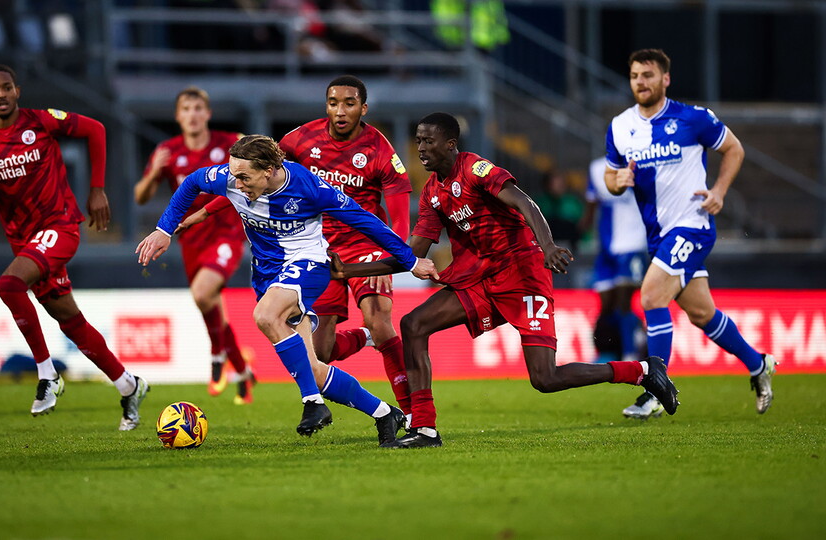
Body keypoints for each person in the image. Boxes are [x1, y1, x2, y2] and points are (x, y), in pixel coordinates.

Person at [332, 113, 679, 448]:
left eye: (428, 141)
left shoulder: (475, 169)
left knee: (545, 378)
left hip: (522, 275)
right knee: (414, 324)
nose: (420, 148)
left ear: (450, 144)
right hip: (480, 279)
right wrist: (348, 270)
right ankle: (424, 427)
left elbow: (526, 203)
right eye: (418, 141)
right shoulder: (432, 193)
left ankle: (642, 370)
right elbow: (411, 254)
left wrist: (547, 246)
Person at [136, 134, 439, 446]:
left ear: (268, 170)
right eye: (234, 175)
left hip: (308, 263)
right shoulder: (230, 177)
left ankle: (312, 403)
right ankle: (384, 413)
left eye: (244, 177)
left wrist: (410, 261)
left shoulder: (309, 187)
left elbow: (366, 221)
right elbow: (190, 184)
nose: (236, 184)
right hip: (267, 274)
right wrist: (163, 230)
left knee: (266, 316)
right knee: (314, 370)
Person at [0, 64, 149, 430]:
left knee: (9, 285)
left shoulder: (40, 121)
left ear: (17, 91)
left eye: (7, 87)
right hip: (25, 242)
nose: (1, 94)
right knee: (70, 321)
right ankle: (129, 385)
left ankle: (47, 375)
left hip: (59, 226)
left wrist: (97, 189)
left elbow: (96, 129)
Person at [605, 49, 777, 418]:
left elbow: (734, 149)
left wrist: (719, 192)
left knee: (651, 296)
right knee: (702, 313)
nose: (641, 82)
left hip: (692, 226)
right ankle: (759, 364)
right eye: (635, 76)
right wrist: (618, 181)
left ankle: (655, 391)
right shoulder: (620, 126)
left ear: (665, 79)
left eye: (648, 75)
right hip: (658, 236)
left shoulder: (693, 117)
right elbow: (610, 175)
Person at [278, 74, 414, 422]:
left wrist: (391, 258)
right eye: (333, 103)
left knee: (380, 319)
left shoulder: (379, 149)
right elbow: (257, 172)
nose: (340, 111)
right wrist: (206, 210)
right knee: (320, 355)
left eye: (349, 103)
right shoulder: (300, 140)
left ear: (363, 108)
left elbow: (400, 217)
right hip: (318, 249)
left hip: (365, 245)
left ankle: (414, 414)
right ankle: (363, 337)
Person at [133, 86, 255, 405]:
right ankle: (242, 371)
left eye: (198, 108)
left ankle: (216, 354)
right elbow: (140, 197)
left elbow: (257, 161)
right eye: (186, 109)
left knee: (203, 293)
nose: (193, 115)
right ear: (178, 116)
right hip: (190, 237)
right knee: (209, 302)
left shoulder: (229, 143)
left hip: (226, 231)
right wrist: (154, 173)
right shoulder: (168, 151)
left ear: (208, 114)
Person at [582, 157, 647, 366]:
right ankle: (612, 351)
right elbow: (592, 203)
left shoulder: (641, 163)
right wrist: (580, 229)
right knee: (607, 306)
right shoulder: (596, 168)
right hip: (606, 247)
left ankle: (630, 354)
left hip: (632, 244)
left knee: (624, 302)